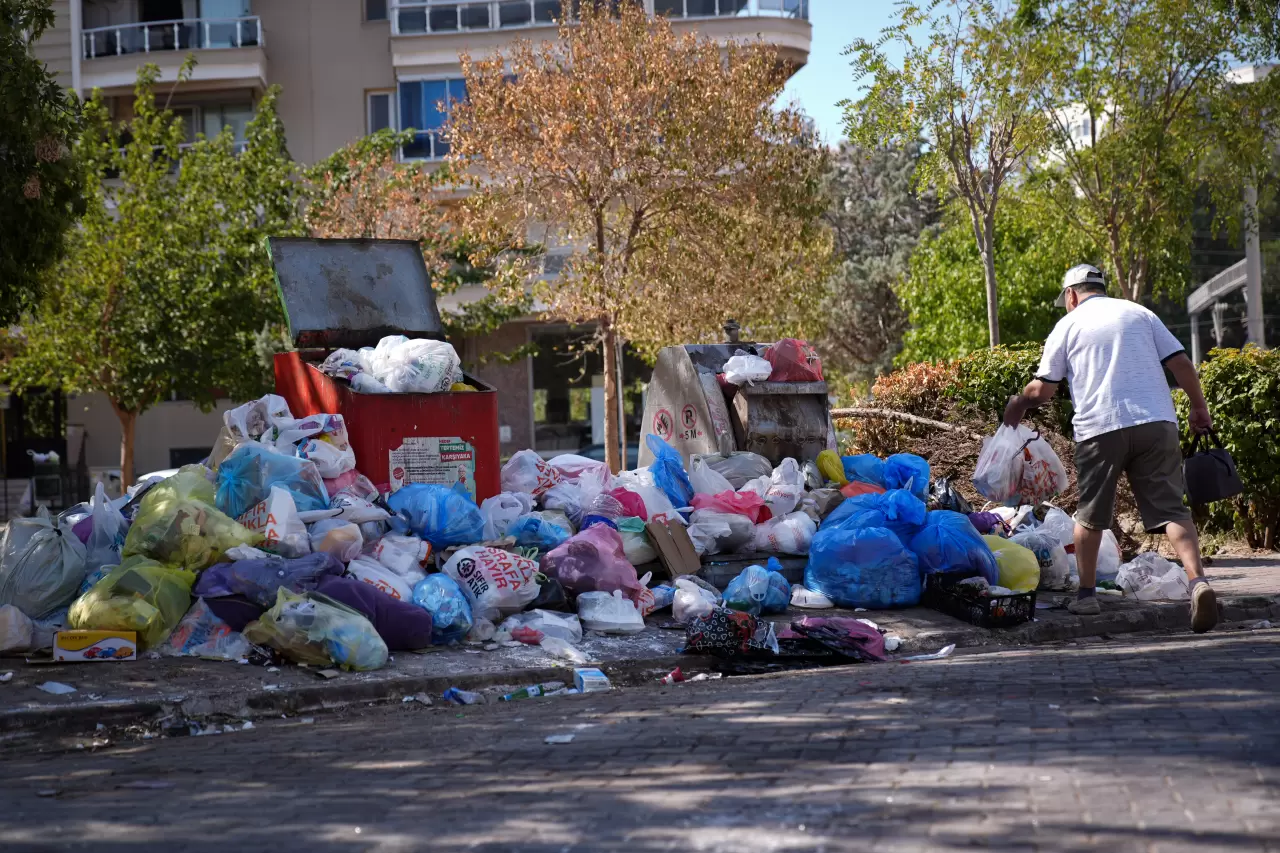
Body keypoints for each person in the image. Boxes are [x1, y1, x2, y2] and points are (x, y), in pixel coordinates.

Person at [1003, 264, 1217, 632]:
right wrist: (1200, 408)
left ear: (1071, 295)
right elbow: (1181, 363)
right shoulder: (1140, 313)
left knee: (1090, 515)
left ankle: (1086, 598)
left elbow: (1043, 390)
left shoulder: (1067, 326)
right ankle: (1198, 582)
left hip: (1101, 429)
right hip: (1157, 423)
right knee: (1171, 510)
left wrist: (1018, 405)